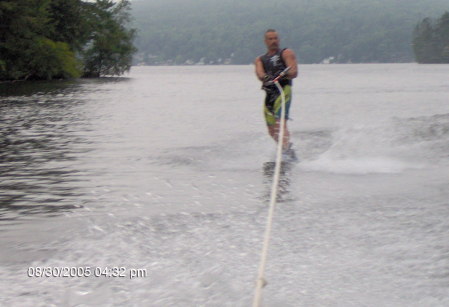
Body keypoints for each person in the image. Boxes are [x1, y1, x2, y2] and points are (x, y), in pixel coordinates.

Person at [255, 29, 298, 160]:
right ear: (265, 41)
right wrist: (266, 76)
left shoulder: (286, 53)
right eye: (271, 39)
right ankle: (287, 147)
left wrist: (284, 74)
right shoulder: (260, 59)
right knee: (271, 129)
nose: (274, 41)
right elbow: (259, 73)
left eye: (276, 38)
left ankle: (285, 151)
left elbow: (294, 71)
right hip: (269, 94)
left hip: (283, 90)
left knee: (281, 124)